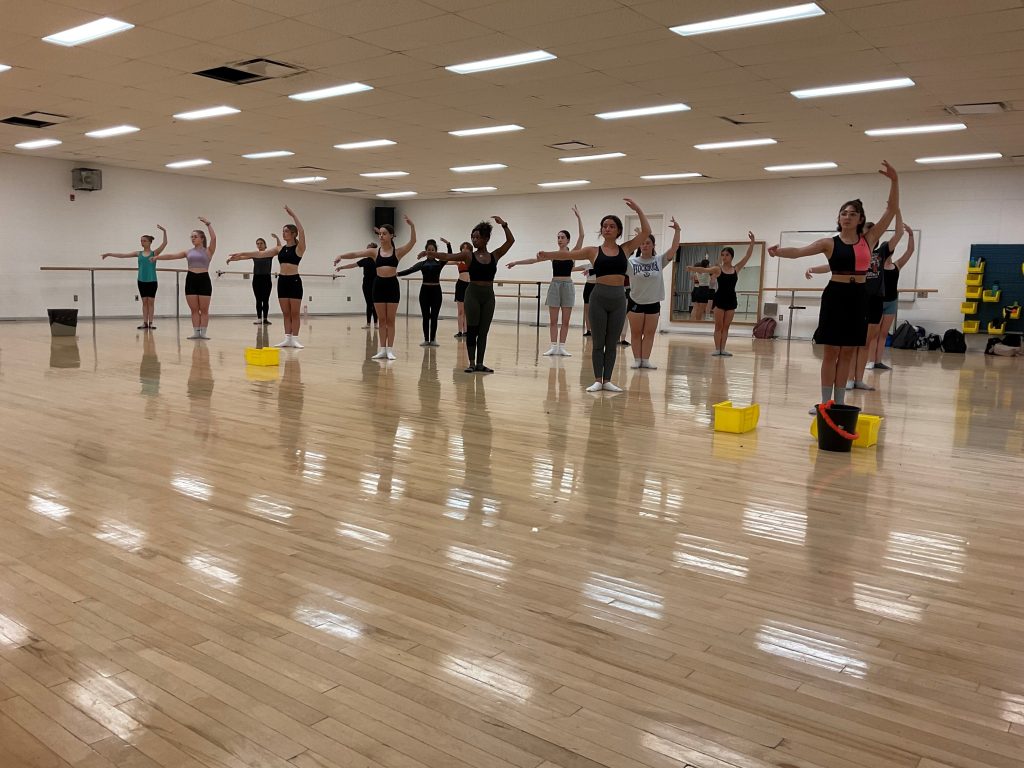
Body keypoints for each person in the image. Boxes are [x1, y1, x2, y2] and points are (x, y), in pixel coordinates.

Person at [769, 161, 900, 412]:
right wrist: (778, 252)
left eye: (852, 213)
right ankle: (825, 401)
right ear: (839, 218)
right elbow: (798, 252)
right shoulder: (828, 243)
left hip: (858, 297)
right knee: (831, 352)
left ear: (861, 219)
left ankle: (840, 403)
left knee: (849, 351)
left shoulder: (869, 240)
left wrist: (895, 181)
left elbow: (892, 210)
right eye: (843, 213)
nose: (847, 217)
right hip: (835, 296)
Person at [536, 199, 650, 392]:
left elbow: (646, 232)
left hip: (618, 299)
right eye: (604, 226)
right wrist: (547, 254)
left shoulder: (626, 249)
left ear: (618, 231)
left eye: (612, 226)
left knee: (612, 342)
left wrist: (638, 209)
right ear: (601, 230)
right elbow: (568, 255)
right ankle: (598, 379)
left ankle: (608, 380)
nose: (607, 229)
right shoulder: (593, 251)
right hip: (599, 297)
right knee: (598, 341)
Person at [434, 217, 515, 373]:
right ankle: (471, 363)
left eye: (477, 237)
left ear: (486, 239)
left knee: (483, 331)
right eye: (472, 237)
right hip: (472, 294)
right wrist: (431, 253)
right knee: (472, 329)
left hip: (488, 296)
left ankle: (480, 363)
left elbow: (510, 241)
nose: (474, 240)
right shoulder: (469, 256)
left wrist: (504, 225)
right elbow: (448, 256)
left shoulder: (495, 255)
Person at [504, 205, 584, 356]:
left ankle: (562, 347)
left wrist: (579, 218)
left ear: (568, 240)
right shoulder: (552, 254)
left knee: (565, 320)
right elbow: (533, 260)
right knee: (553, 320)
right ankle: (554, 346)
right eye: (558, 237)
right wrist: (516, 262)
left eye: (562, 237)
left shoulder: (573, 253)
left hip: (567, 285)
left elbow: (582, 236)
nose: (560, 240)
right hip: (554, 285)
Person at [334, 217, 417, 360]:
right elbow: (356, 254)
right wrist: (341, 255)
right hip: (378, 286)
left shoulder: (398, 252)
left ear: (391, 235)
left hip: (392, 286)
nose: (381, 236)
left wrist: (412, 227)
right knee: (382, 320)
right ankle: (382, 349)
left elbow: (412, 242)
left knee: (390, 320)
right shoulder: (374, 252)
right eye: (380, 234)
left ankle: (389, 350)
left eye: (384, 234)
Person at [227, 206, 307, 348]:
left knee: (294, 312)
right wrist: (240, 255)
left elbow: (302, 231)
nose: (284, 233)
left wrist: (293, 215)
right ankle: (287, 338)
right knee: (285, 312)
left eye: (287, 231)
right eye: (283, 231)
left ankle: (295, 338)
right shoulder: (279, 249)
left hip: (294, 281)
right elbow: (261, 254)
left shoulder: (299, 248)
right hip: (282, 281)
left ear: (293, 234)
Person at [687, 232, 757, 357]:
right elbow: (704, 270)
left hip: (731, 300)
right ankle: (717, 349)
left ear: (731, 257)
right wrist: (692, 268)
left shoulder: (736, 269)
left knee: (726, 327)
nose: (724, 257)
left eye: (727, 255)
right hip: (719, 299)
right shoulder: (718, 269)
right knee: (718, 326)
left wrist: (752, 243)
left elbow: (747, 256)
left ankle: (723, 349)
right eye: (722, 255)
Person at [627, 216, 681, 369]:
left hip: (653, 303)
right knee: (636, 333)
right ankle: (637, 359)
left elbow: (674, 248)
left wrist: (677, 231)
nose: (644, 245)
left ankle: (645, 360)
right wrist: (638, 235)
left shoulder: (659, 260)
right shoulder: (631, 262)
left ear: (653, 245)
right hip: (635, 302)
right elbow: (623, 252)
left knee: (649, 333)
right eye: (642, 243)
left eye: (647, 243)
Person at [151, 217, 216, 339]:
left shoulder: (209, 251)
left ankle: (204, 333)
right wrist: (157, 257)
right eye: (191, 237)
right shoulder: (188, 252)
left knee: (204, 309)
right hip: (191, 279)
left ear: (202, 238)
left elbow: (214, 238)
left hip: (204, 279)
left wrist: (208, 224)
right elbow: (172, 256)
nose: (193, 239)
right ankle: (196, 333)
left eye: (195, 236)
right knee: (194, 309)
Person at [101, 225, 167, 329]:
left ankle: (151, 323)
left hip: (152, 280)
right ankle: (145, 322)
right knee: (144, 302)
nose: (142, 242)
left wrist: (164, 231)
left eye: (144, 241)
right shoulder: (138, 253)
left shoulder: (155, 253)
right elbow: (123, 255)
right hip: (141, 280)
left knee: (151, 302)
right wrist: (109, 254)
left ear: (149, 242)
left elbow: (164, 244)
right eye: (141, 241)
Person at [397, 238, 456, 347]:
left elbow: (449, 256)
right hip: (424, 292)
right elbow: (410, 270)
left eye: (433, 250)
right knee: (425, 316)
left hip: (436, 292)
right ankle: (426, 339)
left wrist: (448, 244)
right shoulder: (422, 264)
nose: (430, 251)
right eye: (429, 250)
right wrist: (397, 274)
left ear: (436, 251)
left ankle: (433, 339)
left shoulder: (439, 264)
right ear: (426, 251)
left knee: (434, 316)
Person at [876, 223, 915, 368]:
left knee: (883, 334)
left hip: (891, 302)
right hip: (878, 301)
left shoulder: (897, 265)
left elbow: (910, 251)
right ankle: (869, 361)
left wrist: (910, 235)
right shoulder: (876, 265)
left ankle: (878, 361)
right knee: (874, 334)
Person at [335, 242, 379, 328]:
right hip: (366, 283)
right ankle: (368, 323)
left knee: (375, 304)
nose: (367, 250)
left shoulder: (378, 260)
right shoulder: (365, 260)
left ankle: (376, 323)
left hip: (376, 283)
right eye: (367, 248)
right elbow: (353, 265)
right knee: (369, 303)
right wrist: (341, 267)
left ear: (373, 250)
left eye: (369, 248)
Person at [250, 234, 280, 325]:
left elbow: (279, 248)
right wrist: (232, 259)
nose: (259, 245)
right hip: (256, 279)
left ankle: (265, 319)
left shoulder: (269, 254)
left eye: (261, 243)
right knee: (258, 299)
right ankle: (259, 318)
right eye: (258, 243)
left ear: (265, 245)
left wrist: (277, 238)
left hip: (266, 279)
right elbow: (242, 256)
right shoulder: (255, 255)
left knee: (265, 300)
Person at [454, 243, 471, 337]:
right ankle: (460, 331)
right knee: (460, 311)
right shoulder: (458, 260)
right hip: (461, 285)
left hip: (470, 286)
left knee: (467, 311)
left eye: (467, 248)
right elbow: (446, 260)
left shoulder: (472, 260)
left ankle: (466, 331)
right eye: (463, 248)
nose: (465, 250)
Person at [580, 264, 596, 336]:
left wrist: (591, 271)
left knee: (597, 310)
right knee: (587, 310)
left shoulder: (601, 263)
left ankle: (596, 329)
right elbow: (572, 268)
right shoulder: (587, 265)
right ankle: (588, 330)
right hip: (588, 287)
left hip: (597, 286)